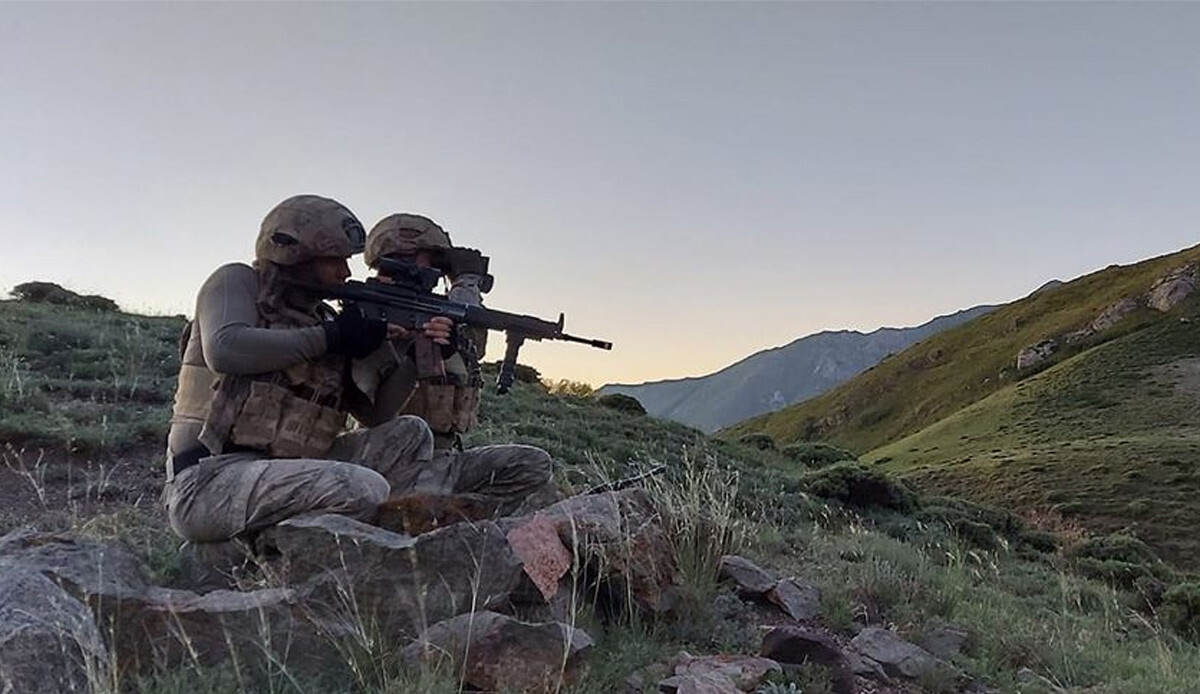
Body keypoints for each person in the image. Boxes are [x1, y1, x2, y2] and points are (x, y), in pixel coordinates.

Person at [161, 196, 552, 547]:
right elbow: (227, 349)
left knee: (409, 431)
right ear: (298, 253)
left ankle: (431, 524)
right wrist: (332, 338)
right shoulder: (237, 282)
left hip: (291, 470)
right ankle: (282, 549)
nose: (346, 273)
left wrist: (416, 357)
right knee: (359, 486)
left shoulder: (325, 317)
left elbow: (375, 415)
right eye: (336, 261)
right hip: (208, 481)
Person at [363, 213, 560, 504]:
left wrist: (462, 288)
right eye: (429, 258)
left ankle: (459, 516)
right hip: (390, 465)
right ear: (401, 257)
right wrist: (465, 286)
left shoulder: (430, 309)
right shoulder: (372, 312)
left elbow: (469, 348)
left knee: (534, 467)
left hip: (443, 457)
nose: (437, 268)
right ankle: (434, 518)